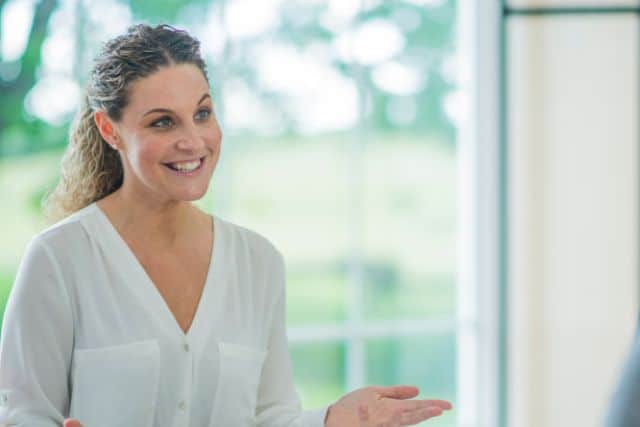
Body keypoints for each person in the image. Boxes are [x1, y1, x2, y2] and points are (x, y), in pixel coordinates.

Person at [0, 24, 452, 427]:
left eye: (202, 114)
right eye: (163, 122)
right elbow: (22, 415)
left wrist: (329, 422)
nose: (193, 141)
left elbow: (270, 417)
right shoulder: (60, 259)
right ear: (109, 129)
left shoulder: (257, 262)